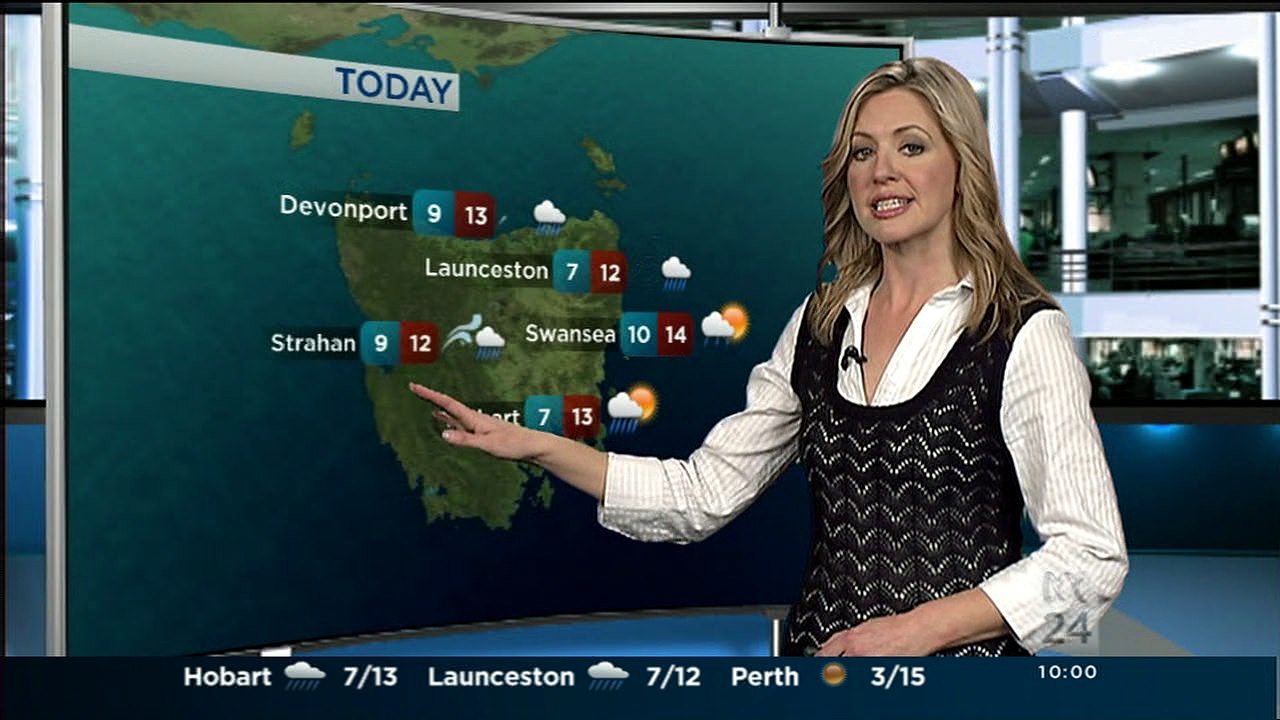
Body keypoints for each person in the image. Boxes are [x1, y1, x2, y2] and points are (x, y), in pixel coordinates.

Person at [409, 57, 1128, 657]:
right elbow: (703, 493)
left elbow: (1090, 558)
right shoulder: (819, 324)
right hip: (821, 670)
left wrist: (915, 632)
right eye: (863, 152)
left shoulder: (1021, 332)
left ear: (962, 166)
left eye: (911, 147)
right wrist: (540, 446)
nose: (882, 171)